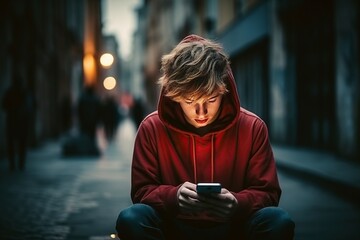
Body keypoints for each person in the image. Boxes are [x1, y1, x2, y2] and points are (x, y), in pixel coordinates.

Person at [115, 34, 295, 240]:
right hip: (173, 227)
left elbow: (268, 193)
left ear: (223, 90)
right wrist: (173, 197)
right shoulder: (151, 127)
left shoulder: (253, 127)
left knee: (278, 220)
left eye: (211, 98)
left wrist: (238, 203)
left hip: (234, 227)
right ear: (174, 95)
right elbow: (141, 191)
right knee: (131, 218)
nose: (201, 112)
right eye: (190, 101)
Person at [2, 75, 34, 171]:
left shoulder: (12, 92)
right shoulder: (24, 92)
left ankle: (15, 164)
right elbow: (30, 107)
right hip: (20, 121)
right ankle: (20, 163)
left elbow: (4, 105)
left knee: (13, 143)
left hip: (13, 121)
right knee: (20, 143)